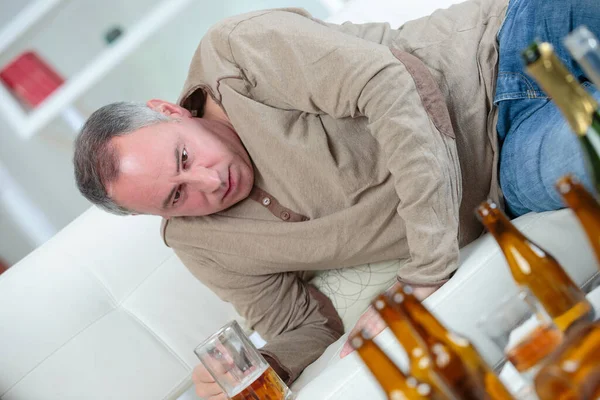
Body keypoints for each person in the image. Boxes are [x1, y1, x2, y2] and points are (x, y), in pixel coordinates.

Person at [73, 0, 600, 397]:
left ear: (171, 111)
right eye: (176, 197)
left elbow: (393, 86)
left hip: (506, 41)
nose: (208, 184)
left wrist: (426, 271)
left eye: (184, 158)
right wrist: (265, 366)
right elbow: (304, 327)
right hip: (510, 165)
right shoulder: (202, 244)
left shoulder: (236, 52)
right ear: (157, 215)